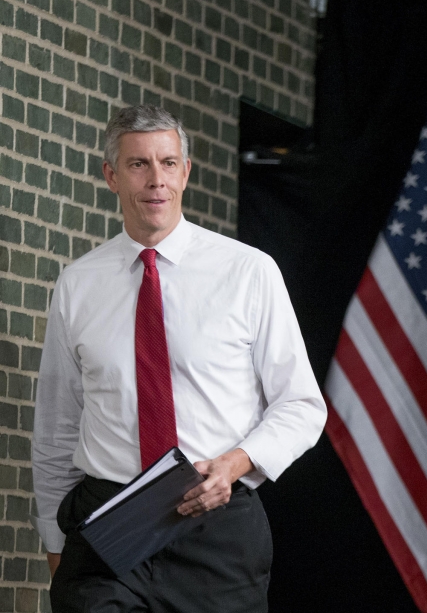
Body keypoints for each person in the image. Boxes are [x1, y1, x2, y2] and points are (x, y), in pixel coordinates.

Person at [31, 105, 328, 612]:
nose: (156, 180)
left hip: (214, 527)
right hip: (109, 524)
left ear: (186, 172)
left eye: (168, 163)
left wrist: (234, 465)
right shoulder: (78, 284)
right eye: (138, 164)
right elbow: (58, 427)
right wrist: (57, 546)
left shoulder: (248, 272)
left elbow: (302, 405)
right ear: (111, 176)